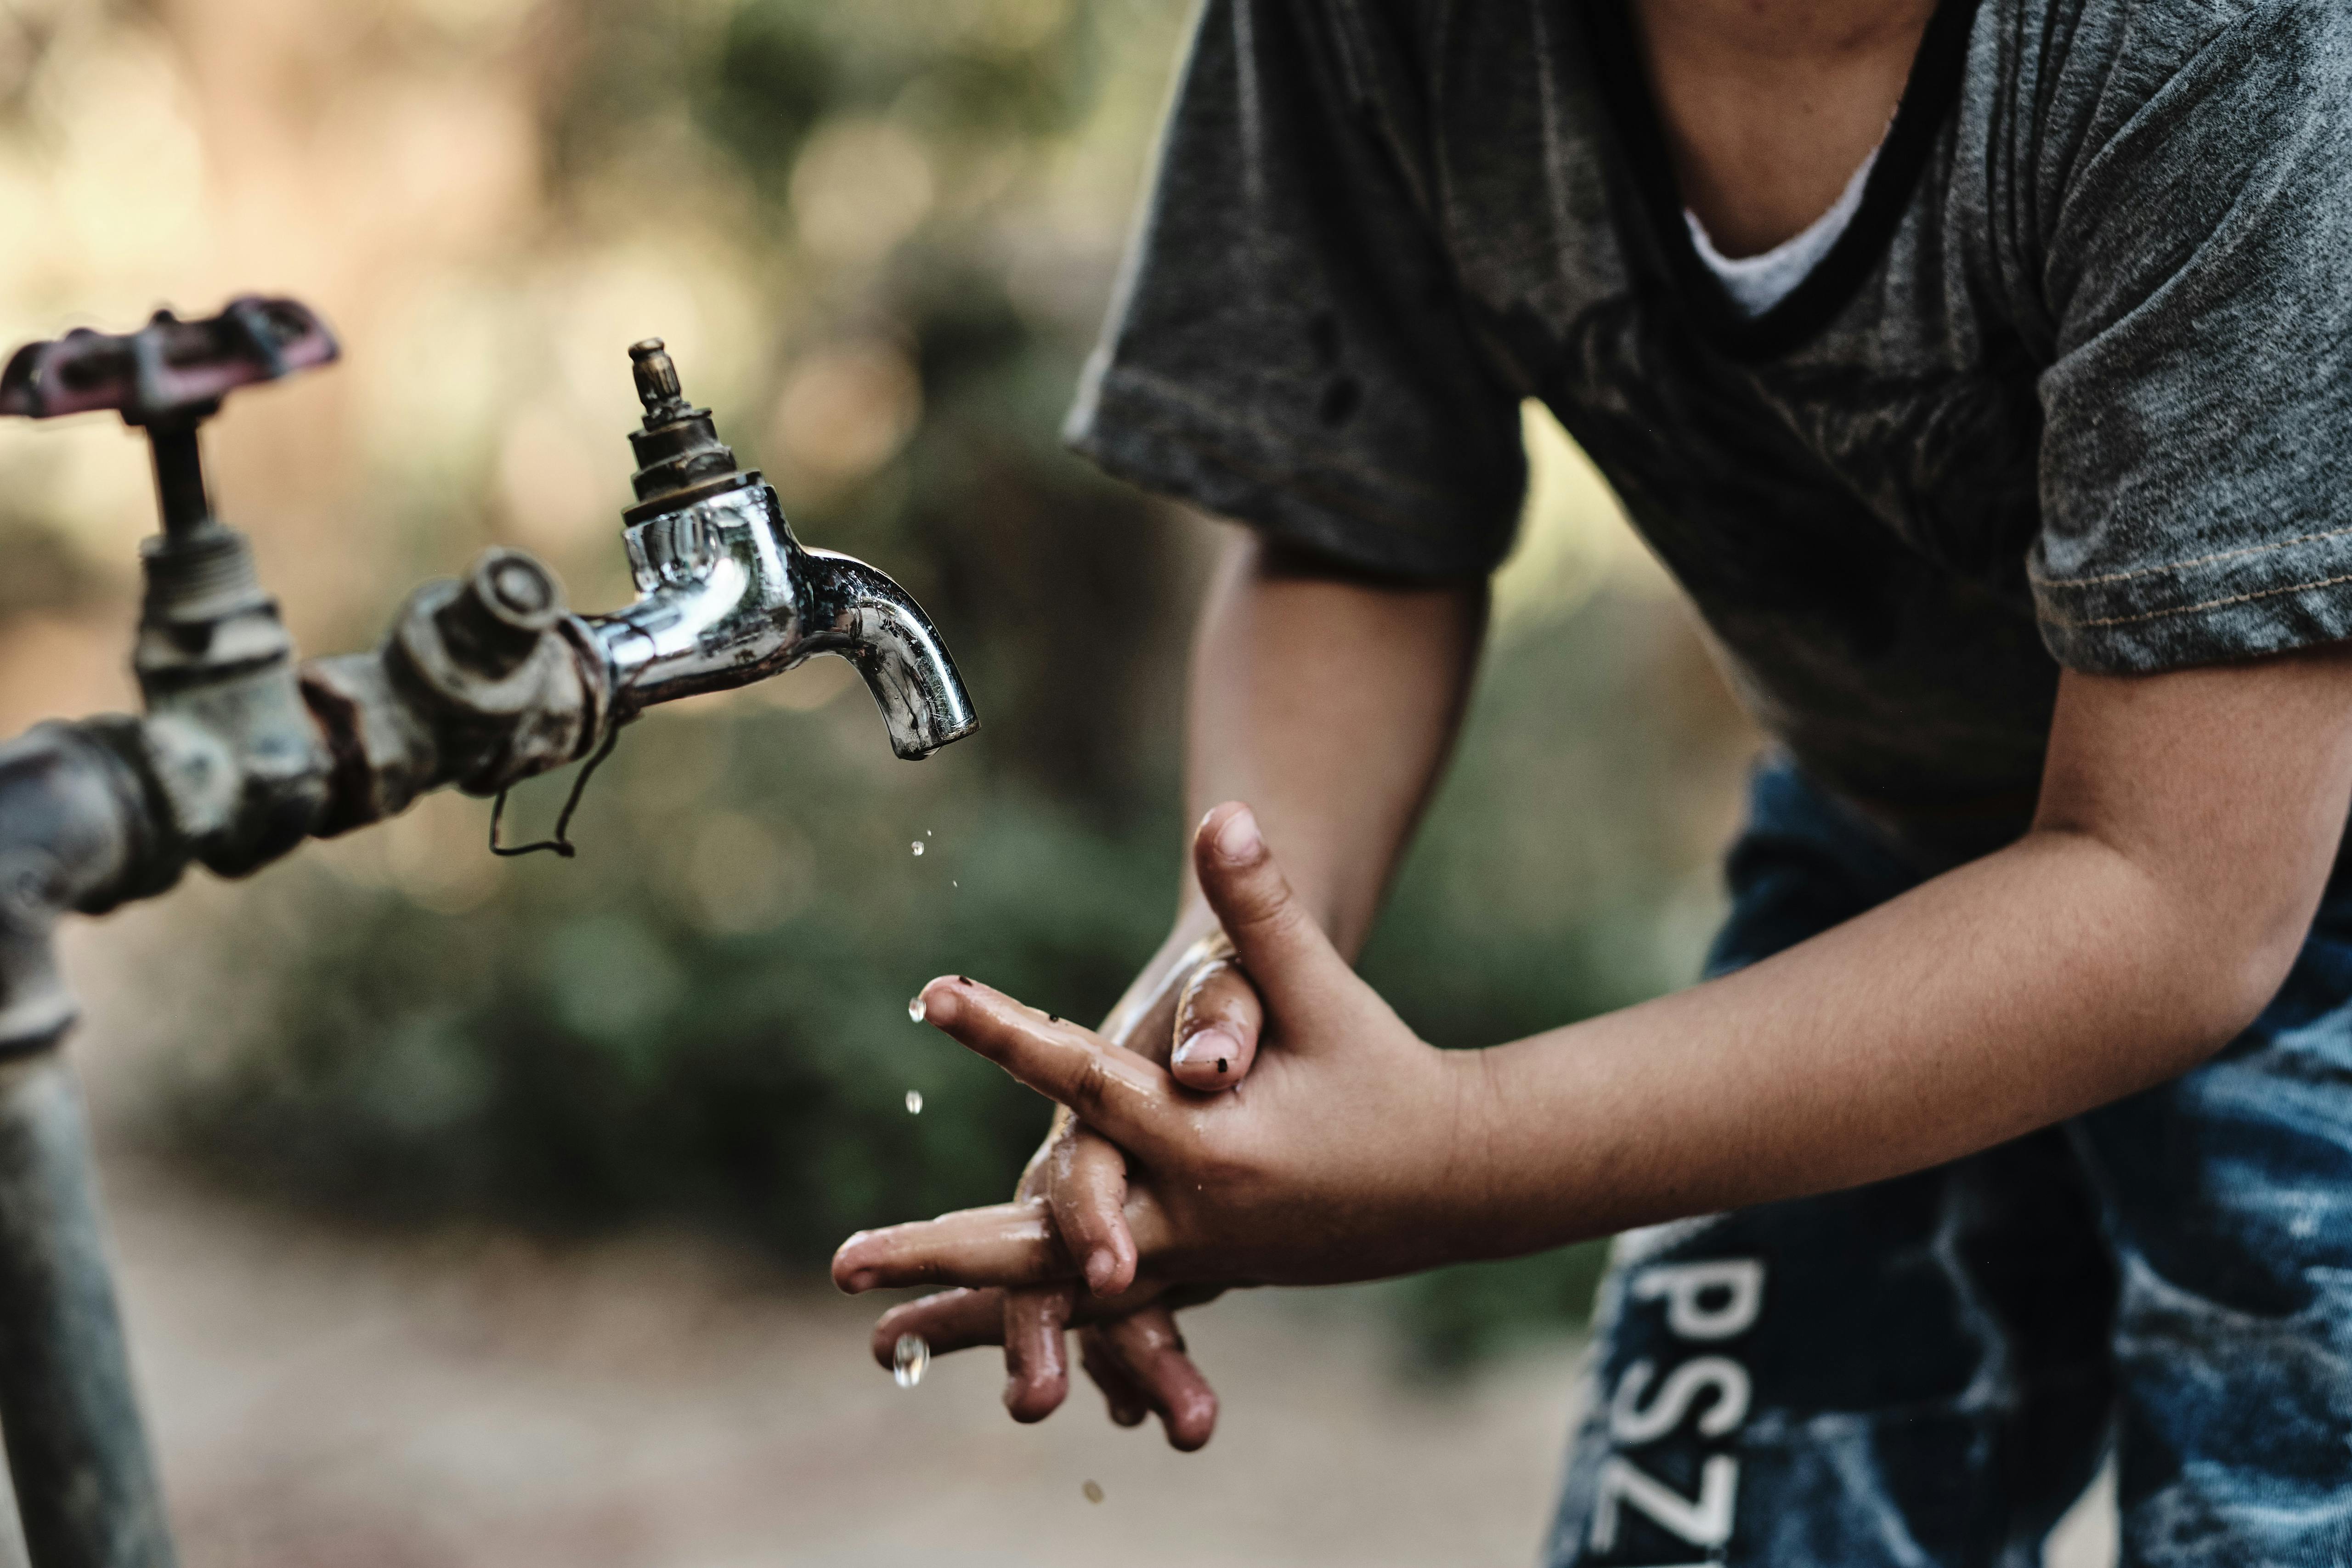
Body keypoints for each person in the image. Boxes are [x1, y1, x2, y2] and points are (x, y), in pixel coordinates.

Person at [835, 0, 2352, 1558]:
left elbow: (2181, 896)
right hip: (1889, 839)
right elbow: (1357, 521)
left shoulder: (2231, 45)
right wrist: (1220, 1002)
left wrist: (1461, 1154)